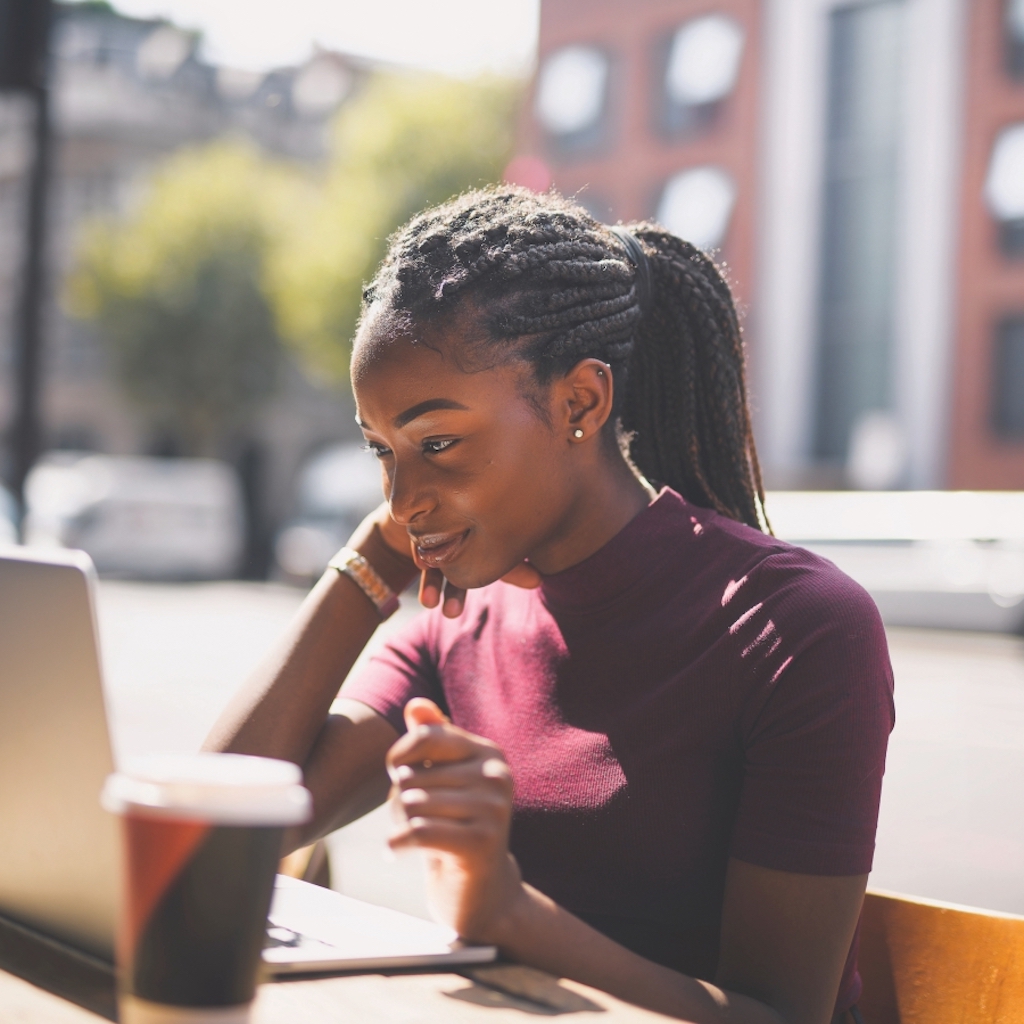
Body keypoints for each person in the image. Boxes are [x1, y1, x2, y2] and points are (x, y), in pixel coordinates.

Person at [207, 186, 894, 1024]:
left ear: (581, 403)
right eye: (381, 451)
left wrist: (507, 915)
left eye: (438, 443)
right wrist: (373, 560)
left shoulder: (797, 628)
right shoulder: (458, 630)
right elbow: (213, 838)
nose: (403, 495)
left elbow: (782, 1016)